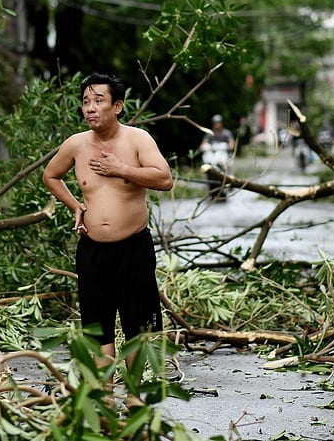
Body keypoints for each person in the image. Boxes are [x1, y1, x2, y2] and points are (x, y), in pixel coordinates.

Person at [42, 73, 173, 375]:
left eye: (98, 101)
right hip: (93, 250)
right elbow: (51, 175)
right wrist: (74, 205)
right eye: (86, 102)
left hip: (133, 248)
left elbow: (164, 179)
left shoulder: (137, 139)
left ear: (117, 106)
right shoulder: (76, 145)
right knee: (97, 328)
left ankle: (135, 396)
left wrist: (122, 169)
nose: (90, 108)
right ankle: (105, 397)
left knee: (137, 327)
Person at [198, 114, 234, 201]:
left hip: (222, 158)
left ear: (221, 123)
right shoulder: (210, 134)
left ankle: (229, 183)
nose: (216, 124)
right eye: (215, 123)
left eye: (218, 123)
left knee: (228, 167)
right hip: (212, 158)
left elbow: (231, 144)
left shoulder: (226, 133)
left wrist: (226, 147)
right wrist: (204, 147)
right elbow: (202, 145)